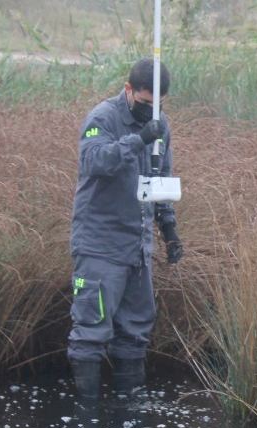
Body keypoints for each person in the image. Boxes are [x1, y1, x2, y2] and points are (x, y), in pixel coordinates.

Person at [68, 58, 183, 403]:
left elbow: (160, 179)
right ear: (129, 90)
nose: (151, 112)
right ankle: (87, 418)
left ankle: (129, 412)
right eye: (145, 103)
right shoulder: (103, 118)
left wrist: (169, 229)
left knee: (135, 333)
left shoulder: (161, 126)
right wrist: (138, 139)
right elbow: (93, 162)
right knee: (91, 331)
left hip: (138, 248)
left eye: (158, 105)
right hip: (100, 245)